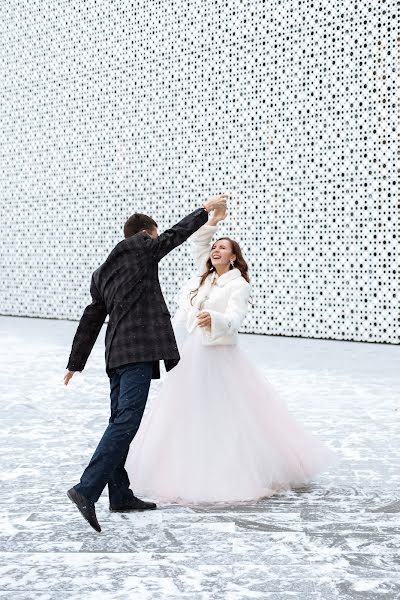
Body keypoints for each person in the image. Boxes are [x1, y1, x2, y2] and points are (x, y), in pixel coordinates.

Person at [125, 204, 334, 504]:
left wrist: (216, 320)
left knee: (224, 415)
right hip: (192, 355)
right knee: (188, 412)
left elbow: (235, 319)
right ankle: (183, 469)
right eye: (215, 246)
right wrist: (212, 222)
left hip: (218, 355)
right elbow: (198, 242)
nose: (216, 250)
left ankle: (230, 471)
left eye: (223, 247)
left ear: (233, 257)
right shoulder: (204, 276)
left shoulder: (238, 284)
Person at [63, 194, 228, 532]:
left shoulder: (102, 271)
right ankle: (86, 489)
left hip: (114, 354)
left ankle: (120, 495)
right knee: (126, 422)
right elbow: (175, 235)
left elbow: (92, 316)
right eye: (154, 235)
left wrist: (75, 362)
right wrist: (205, 210)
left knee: (118, 421)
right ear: (146, 233)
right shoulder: (143, 246)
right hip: (137, 351)